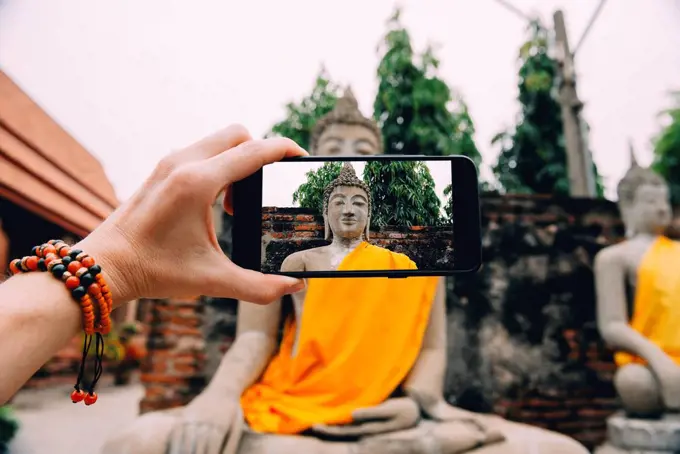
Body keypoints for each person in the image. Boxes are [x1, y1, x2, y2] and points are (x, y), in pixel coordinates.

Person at [0, 125, 308, 405]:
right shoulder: (295, 255)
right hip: (291, 395)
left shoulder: (356, 249)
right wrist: (218, 400)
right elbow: (254, 338)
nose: (347, 209)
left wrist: (113, 263)